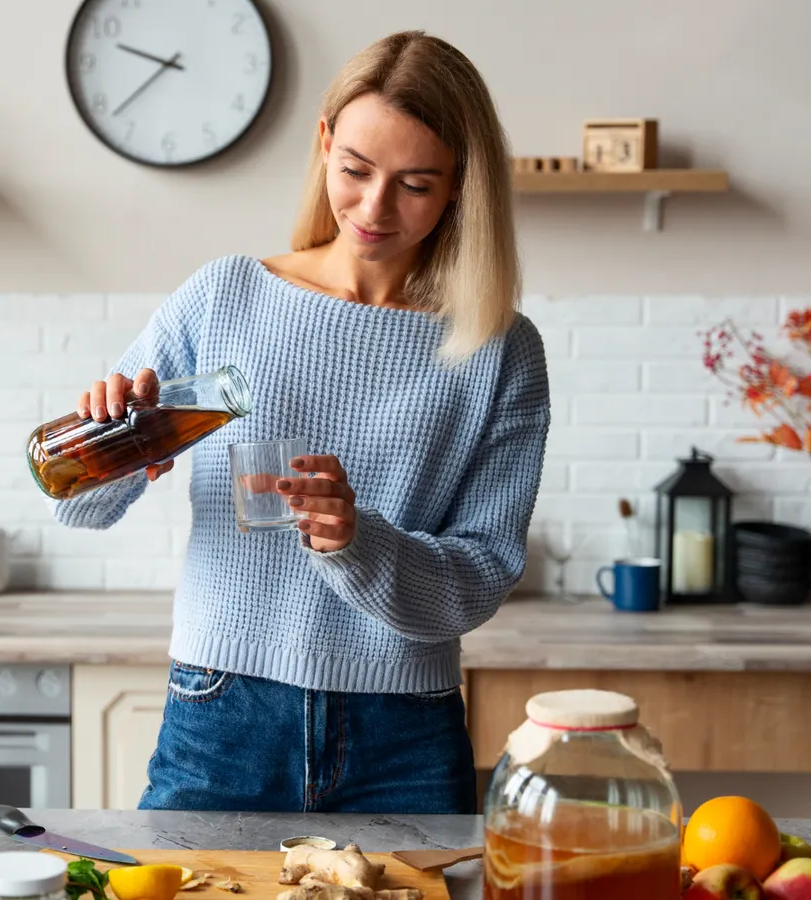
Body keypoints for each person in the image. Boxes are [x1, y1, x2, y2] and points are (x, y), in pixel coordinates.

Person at [50, 30, 550, 814]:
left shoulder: (498, 350)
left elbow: (479, 580)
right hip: (223, 710)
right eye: (355, 170)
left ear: (461, 185)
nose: (374, 208)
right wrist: (109, 441)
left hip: (406, 734)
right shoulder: (224, 298)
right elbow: (76, 506)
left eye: (415, 183)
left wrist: (360, 541)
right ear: (324, 146)